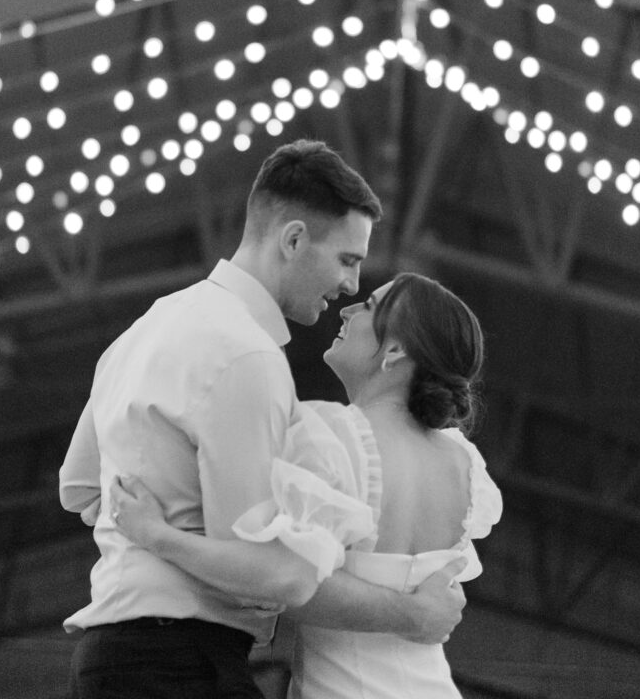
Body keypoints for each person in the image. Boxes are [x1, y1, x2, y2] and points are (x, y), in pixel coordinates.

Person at [59, 140, 467, 699]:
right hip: (180, 662)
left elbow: (80, 488)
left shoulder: (146, 326)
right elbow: (280, 574)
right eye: (347, 260)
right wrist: (414, 615)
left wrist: (147, 539)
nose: (351, 285)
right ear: (294, 239)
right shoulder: (248, 355)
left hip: (111, 656)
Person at [109, 272, 502, 698]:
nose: (347, 308)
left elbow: (287, 584)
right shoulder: (463, 463)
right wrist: (416, 613)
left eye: (368, 306)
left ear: (394, 351)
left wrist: (156, 535)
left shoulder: (332, 434)